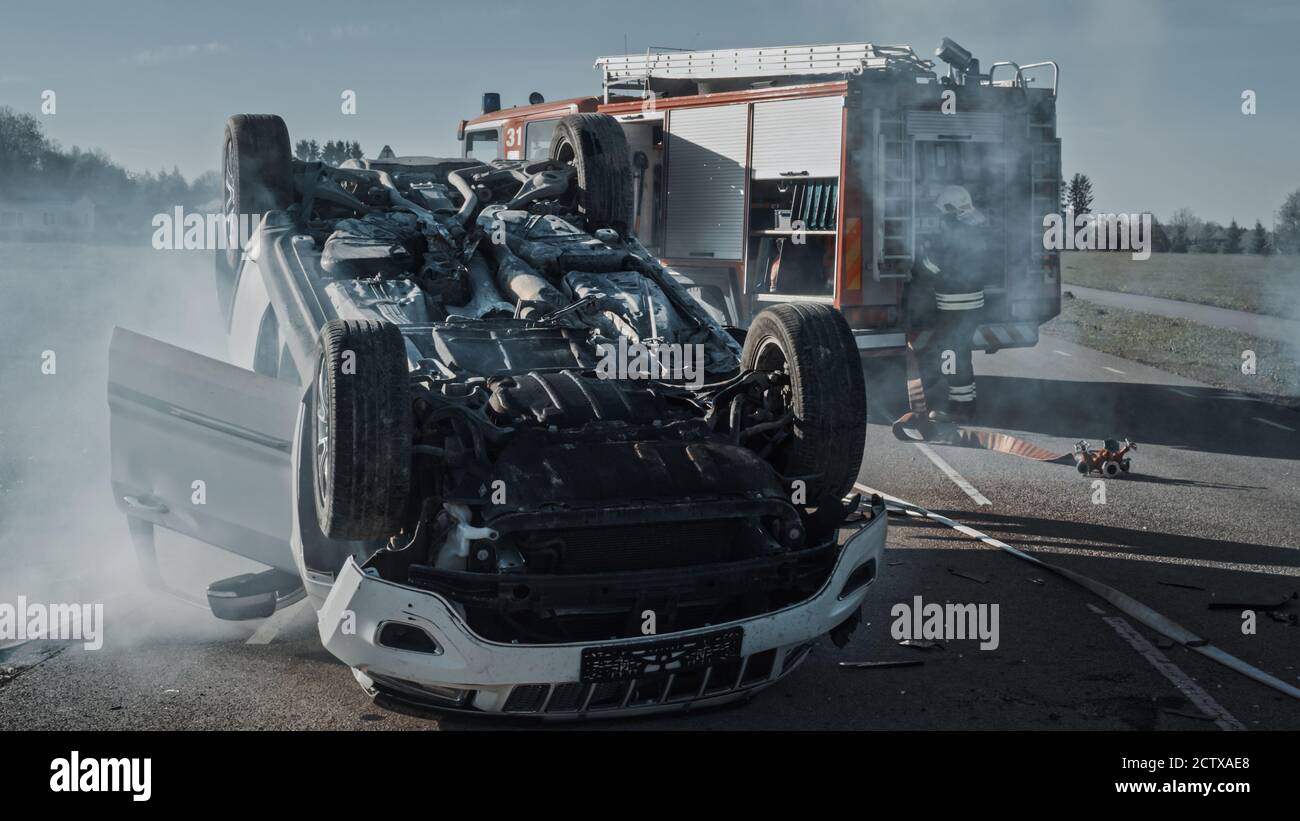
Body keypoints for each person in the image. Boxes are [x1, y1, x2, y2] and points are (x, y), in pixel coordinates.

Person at [912, 185, 991, 423]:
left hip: (956, 305)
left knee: (952, 353)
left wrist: (920, 257)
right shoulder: (976, 224)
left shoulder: (954, 228)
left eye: (942, 212)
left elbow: (934, 265)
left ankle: (960, 409)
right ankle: (963, 403)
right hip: (970, 303)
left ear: (950, 210)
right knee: (959, 352)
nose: (940, 217)